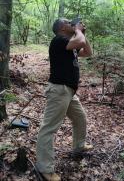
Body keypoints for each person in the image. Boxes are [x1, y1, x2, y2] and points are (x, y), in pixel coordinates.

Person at [36, 17, 93, 181]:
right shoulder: (59, 41)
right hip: (59, 90)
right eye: (69, 23)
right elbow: (79, 43)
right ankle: (45, 168)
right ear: (61, 27)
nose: (72, 24)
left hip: (69, 91)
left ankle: (78, 146)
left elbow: (88, 52)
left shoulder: (70, 44)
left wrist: (82, 33)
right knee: (49, 128)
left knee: (80, 118)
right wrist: (78, 32)